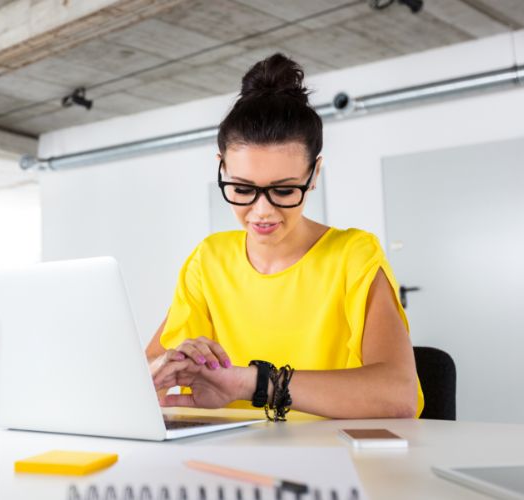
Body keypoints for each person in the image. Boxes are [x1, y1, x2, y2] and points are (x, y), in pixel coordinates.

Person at [145, 53, 424, 420]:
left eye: (284, 190)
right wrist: (167, 366)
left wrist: (255, 384)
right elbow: (149, 370)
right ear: (221, 168)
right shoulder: (208, 260)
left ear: (315, 173)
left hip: (331, 459)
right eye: (242, 188)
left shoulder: (353, 256)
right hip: (232, 457)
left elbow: (398, 395)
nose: (262, 211)